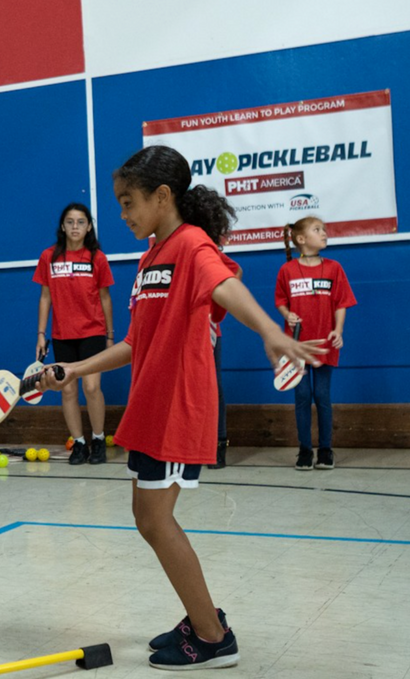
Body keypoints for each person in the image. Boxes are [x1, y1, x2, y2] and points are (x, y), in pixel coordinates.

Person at [39, 145, 324, 670]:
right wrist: (77, 370)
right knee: (147, 519)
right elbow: (135, 342)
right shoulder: (151, 258)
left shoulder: (191, 245)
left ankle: (213, 637)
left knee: (155, 521)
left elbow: (226, 284)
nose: (122, 214)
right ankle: (201, 619)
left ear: (162, 196)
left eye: (128, 202)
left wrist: (269, 331)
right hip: (150, 406)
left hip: (177, 406)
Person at [33, 202, 115, 464]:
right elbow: (45, 297)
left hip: (93, 332)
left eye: (81, 222)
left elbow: (106, 298)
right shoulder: (49, 257)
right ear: (62, 226)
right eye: (70, 222)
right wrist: (41, 334)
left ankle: (98, 439)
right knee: (68, 391)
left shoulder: (96, 258)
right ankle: (79, 444)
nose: (75, 226)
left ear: (89, 226)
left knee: (92, 388)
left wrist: (110, 336)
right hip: (62, 334)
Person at [275, 216, 356, 471]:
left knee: (322, 396)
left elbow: (342, 302)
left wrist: (338, 330)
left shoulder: (334, 268)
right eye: (317, 229)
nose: (324, 233)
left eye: (324, 229)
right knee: (301, 396)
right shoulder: (286, 270)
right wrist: (287, 314)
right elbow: (280, 301)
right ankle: (304, 450)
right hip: (296, 345)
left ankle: (325, 450)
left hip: (324, 344)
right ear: (301, 239)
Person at [207, 251, 242, 469]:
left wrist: (219, 301)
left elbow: (235, 270)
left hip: (208, 330)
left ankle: (218, 442)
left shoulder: (206, 249)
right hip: (180, 332)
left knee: (213, 387)